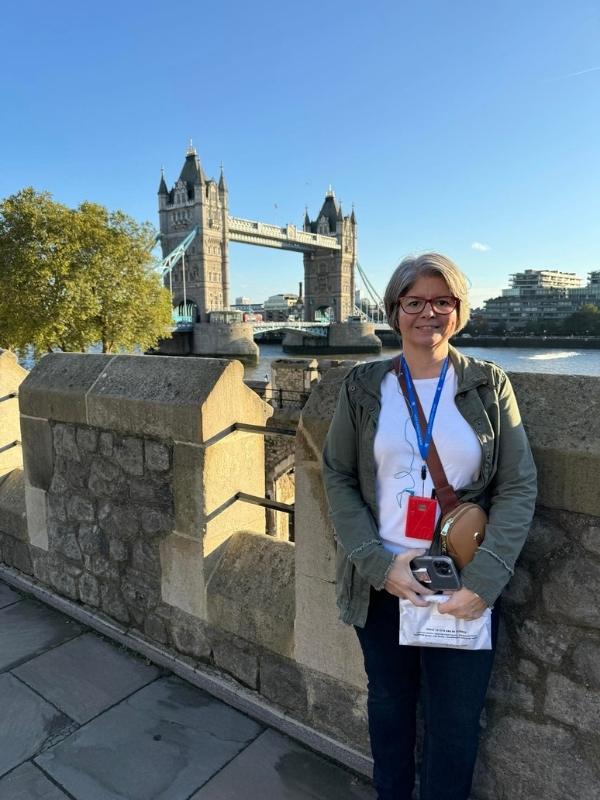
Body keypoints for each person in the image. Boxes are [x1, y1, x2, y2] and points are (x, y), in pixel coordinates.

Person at [322, 253, 537, 800]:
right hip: (385, 584)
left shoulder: (489, 385)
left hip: (460, 586)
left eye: (442, 301)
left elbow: (517, 486)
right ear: (394, 310)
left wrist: (483, 583)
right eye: (414, 302)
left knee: (455, 727)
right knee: (389, 715)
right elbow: (338, 476)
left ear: (459, 310)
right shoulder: (363, 386)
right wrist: (378, 562)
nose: (428, 313)